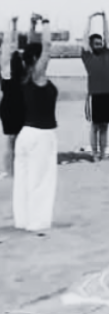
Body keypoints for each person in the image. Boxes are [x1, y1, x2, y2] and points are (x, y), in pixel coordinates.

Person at [13, 18, 58, 232]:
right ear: (35, 58)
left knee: (23, 179)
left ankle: (23, 219)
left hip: (26, 134)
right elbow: (46, 47)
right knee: (41, 180)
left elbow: (34, 48)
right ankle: (37, 222)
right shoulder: (37, 75)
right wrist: (46, 23)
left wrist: (33, 27)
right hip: (41, 134)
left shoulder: (24, 75)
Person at [81, 11, 109, 161]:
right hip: (95, 95)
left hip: (107, 93)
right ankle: (95, 154)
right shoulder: (87, 56)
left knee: (105, 126)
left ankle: (103, 153)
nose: (99, 45)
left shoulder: (106, 53)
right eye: (96, 43)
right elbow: (84, 39)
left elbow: (107, 36)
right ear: (91, 45)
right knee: (95, 126)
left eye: (100, 43)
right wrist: (89, 19)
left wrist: (104, 18)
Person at [0, 17, 25, 177]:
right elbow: (8, 44)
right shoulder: (4, 64)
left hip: (20, 102)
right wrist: (12, 28)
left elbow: (13, 43)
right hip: (9, 103)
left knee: (19, 138)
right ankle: (9, 170)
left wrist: (15, 26)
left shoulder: (16, 58)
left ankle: (16, 169)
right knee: (11, 138)